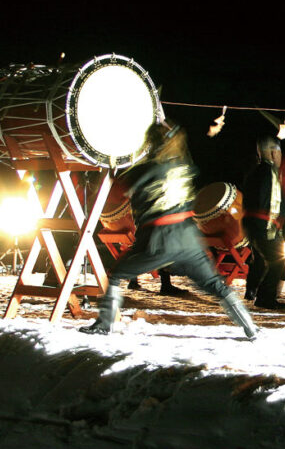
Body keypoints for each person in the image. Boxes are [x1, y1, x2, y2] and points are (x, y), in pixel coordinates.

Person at [79, 120, 257, 339]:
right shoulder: (182, 165)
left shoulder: (144, 170)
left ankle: (104, 324)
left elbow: (124, 184)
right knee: (214, 284)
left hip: (159, 240)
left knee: (116, 275)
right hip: (189, 239)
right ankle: (250, 327)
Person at [243, 135, 285, 310]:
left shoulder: (254, 171)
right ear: (271, 152)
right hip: (265, 225)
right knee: (278, 260)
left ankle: (252, 290)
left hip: (253, 225)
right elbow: (271, 202)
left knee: (260, 260)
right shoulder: (270, 172)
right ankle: (265, 297)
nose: (280, 156)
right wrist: (271, 227)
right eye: (278, 152)